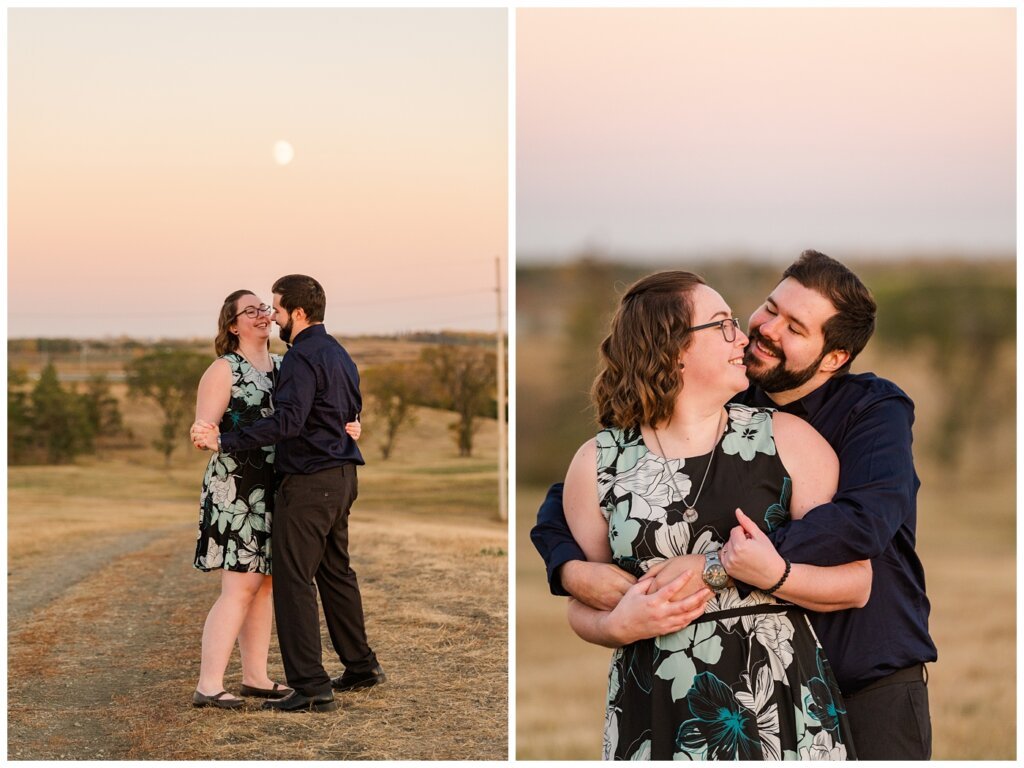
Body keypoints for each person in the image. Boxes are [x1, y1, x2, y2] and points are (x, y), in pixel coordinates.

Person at [533, 251, 937, 760]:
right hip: (683, 693)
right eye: (770, 308)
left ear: (833, 358)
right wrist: (569, 569)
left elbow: (861, 525)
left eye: (794, 327)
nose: (763, 330)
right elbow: (570, 500)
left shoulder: (872, 411)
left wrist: (714, 565)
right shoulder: (730, 403)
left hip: (866, 677)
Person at [192, 275, 383, 713]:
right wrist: (210, 436)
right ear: (233, 324)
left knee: (285, 582)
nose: (266, 315)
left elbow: (308, 417)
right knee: (260, 584)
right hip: (246, 489)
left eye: (270, 307)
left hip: (297, 482)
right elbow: (207, 426)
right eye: (255, 310)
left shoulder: (289, 361)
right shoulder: (329, 351)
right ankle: (352, 667)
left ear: (295, 313)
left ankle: (293, 683)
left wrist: (350, 424)